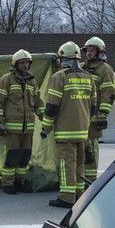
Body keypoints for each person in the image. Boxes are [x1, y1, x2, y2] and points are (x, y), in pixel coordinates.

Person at [41, 41, 97, 208]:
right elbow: (93, 105)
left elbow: (52, 106)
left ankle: (66, 197)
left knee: (66, 164)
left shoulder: (60, 77)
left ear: (63, 59)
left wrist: (45, 128)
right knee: (79, 164)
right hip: (83, 130)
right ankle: (79, 194)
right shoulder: (88, 77)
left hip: (65, 131)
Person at [0, 49, 43, 194]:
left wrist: (45, 118)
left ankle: (20, 181)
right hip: (12, 127)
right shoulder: (7, 79)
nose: (25, 65)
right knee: (12, 155)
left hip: (28, 127)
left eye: (27, 62)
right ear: (15, 64)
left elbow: (38, 103)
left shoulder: (32, 81)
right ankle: (8, 183)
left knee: (25, 156)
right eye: (22, 63)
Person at [81, 36, 115, 186]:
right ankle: (81, 178)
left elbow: (108, 94)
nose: (88, 53)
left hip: (94, 118)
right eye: (87, 50)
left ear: (99, 52)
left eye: (92, 50)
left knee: (91, 150)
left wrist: (102, 115)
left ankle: (90, 180)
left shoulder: (105, 69)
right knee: (82, 148)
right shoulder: (82, 67)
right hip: (82, 115)